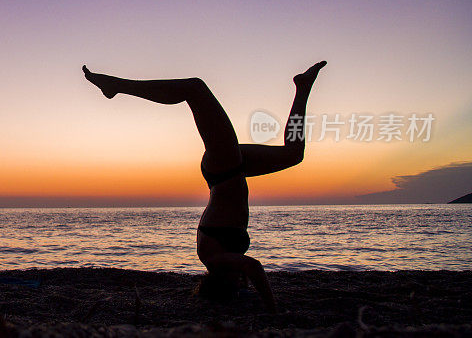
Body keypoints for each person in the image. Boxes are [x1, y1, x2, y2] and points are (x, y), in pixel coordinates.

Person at [83, 61, 327, 312]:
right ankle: (303, 87)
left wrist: (273, 309)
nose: (242, 282)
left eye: (238, 285)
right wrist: (244, 292)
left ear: (222, 281)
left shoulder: (216, 260)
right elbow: (245, 271)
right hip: (233, 169)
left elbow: (253, 267)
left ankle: (116, 86)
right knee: (293, 154)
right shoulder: (226, 263)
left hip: (223, 170)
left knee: (195, 88)